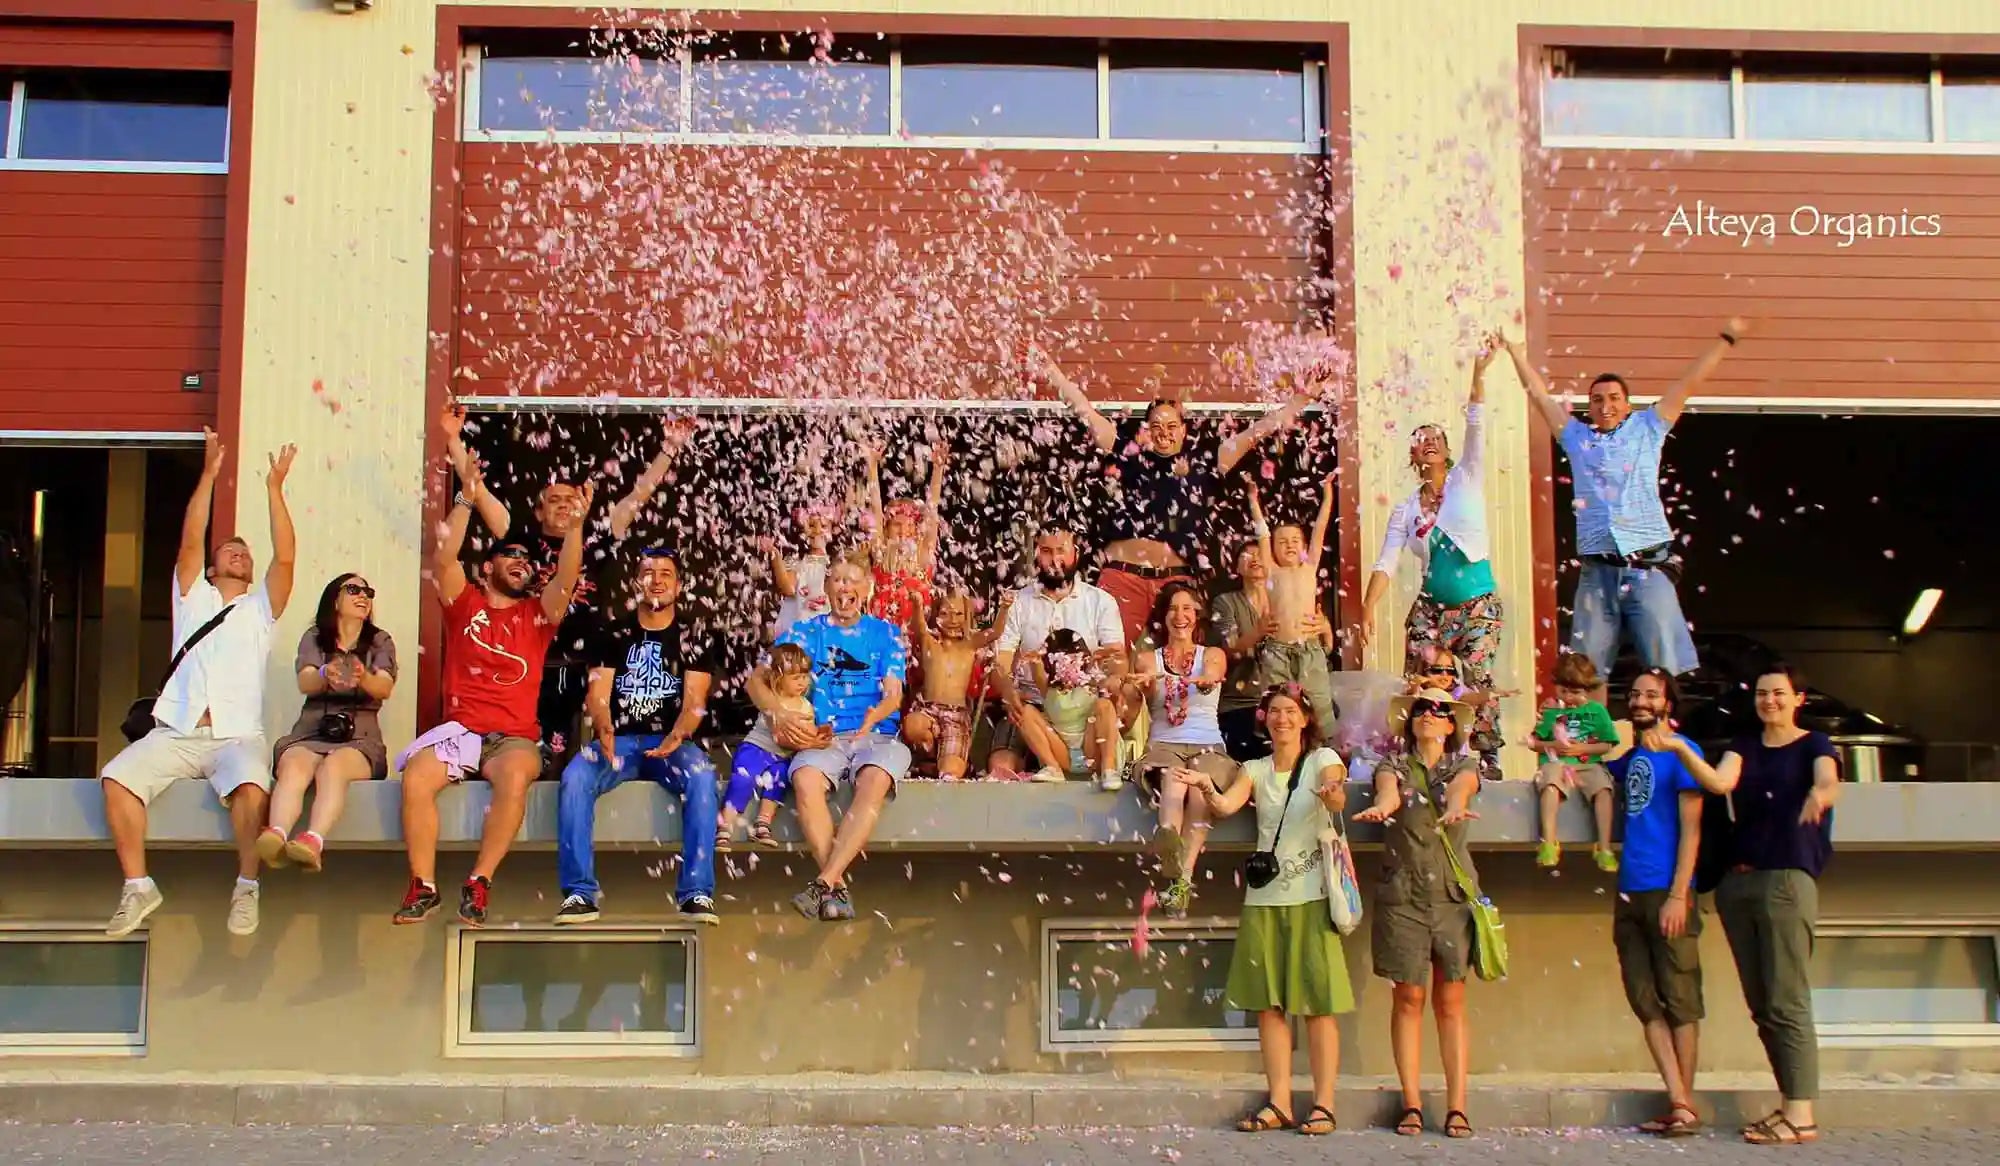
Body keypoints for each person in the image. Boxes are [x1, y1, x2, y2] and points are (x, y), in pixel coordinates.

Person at [101, 430, 297, 939]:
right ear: (212, 567)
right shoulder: (193, 597)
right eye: (230, 550)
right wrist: (209, 473)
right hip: (177, 729)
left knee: (253, 788)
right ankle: (138, 885)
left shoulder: (258, 610)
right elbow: (191, 539)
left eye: (244, 552)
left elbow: (287, 560)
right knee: (117, 780)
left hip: (236, 736)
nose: (239, 553)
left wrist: (275, 489)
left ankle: (247, 887)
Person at [392, 467, 589, 927]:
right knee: (417, 776)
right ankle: (423, 885)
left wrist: (576, 525)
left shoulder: (538, 617)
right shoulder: (465, 606)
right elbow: (444, 561)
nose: (522, 560)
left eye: (527, 558)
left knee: (517, 776)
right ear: (488, 568)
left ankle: (479, 882)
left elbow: (566, 576)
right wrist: (465, 498)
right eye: (510, 554)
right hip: (461, 732)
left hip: (513, 737)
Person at [1503, 319, 1749, 678]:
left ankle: (1663, 731)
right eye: (1597, 399)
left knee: (1665, 665)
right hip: (1597, 571)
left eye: (1614, 398)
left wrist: (1725, 339)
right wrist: (1513, 350)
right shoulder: (1576, 438)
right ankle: (1591, 731)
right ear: (1589, 406)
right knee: (1584, 669)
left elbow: (1688, 383)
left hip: (1647, 565)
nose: (1606, 405)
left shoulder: (1648, 427)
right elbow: (1539, 395)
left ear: (1627, 403)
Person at [1032, 345, 1322, 646]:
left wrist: (1304, 397)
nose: (1164, 432)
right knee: (1112, 659)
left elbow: (1259, 431)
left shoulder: (1205, 463)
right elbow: (1085, 411)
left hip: (1175, 582)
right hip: (1124, 578)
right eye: (1156, 426)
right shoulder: (1129, 456)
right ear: (1146, 430)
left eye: (1172, 425)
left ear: (1184, 430)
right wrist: (1051, 371)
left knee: (1182, 662)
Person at [1185, 684, 1353, 1136]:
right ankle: (1279, 1101)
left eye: (1290, 711)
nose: (1282, 719)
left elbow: (1337, 795)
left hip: (1313, 896)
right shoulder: (1256, 769)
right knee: (1269, 1006)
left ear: (1305, 720)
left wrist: (1332, 794)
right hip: (1264, 900)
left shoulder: (1321, 760)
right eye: (1274, 711)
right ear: (1265, 719)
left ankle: (1324, 1104)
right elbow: (1226, 805)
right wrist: (1205, 786)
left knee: (1318, 1006)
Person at [477, 418, 694, 761]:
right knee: (540, 752)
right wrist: (464, 468)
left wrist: (669, 449)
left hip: (591, 661)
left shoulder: (594, 541)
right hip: (537, 662)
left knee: (593, 752)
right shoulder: (523, 544)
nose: (564, 505)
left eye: (570, 499)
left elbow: (638, 497)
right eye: (554, 500)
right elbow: (484, 502)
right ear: (539, 510)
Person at [1709, 663, 1838, 1147]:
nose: (1770, 701)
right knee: (1762, 1004)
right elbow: (1722, 783)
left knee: (1787, 999)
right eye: (1763, 694)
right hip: (1739, 882)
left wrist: (1821, 795)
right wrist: (1680, 749)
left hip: (1786, 879)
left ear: (1797, 698)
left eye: (1779, 693)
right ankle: (1789, 1105)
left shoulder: (1814, 745)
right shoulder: (1743, 746)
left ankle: (1801, 1114)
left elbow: (1828, 779)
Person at [1360, 337, 1505, 769]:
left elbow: (1475, 420)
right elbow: (1386, 561)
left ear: (1445, 450)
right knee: (1420, 678)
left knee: (1476, 676)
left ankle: (1486, 754)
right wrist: (1368, 608)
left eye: (1434, 438)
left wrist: (1479, 372)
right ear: (1411, 455)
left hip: (1478, 604)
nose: (1427, 443)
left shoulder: (1467, 476)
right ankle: (1415, 750)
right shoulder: (1406, 508)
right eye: (1418, 440)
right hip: (1431, 607)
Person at [555, 548, 719, 925]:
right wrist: (603, 725)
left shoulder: (695, 635)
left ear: (678, 586)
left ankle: (696, 893)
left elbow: (695, 699)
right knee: (576, 777)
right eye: (649, 572)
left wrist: (680, 734)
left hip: (673, 743)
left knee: (702, 776)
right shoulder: (613, 631)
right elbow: (598, 693)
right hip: (622, 741)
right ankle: (580, 893)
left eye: (666, 573)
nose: (657, 580)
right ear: (636, 583)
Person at [1607, 668, 1733, 1138]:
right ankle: (1679, 1100)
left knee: (1679, 998)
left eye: (1651, 695)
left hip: (1667, 889)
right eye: (1635, 694)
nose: (1640, 701)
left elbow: (1692, 829)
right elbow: (1595, 769)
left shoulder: (1684, 754)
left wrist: (1680, 893)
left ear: (1668, 705)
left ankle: (1684, 1101)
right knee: (1645, 999)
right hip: (1629, 891)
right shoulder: (1633, 755)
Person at [1351, 687, 1482, 1140]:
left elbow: (1464, 789)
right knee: (1407, 998)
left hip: (1450, 893)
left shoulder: (1464, 764)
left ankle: (1457, 1106)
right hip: (1403, 894)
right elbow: (1388, 791)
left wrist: (1458, 807)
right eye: (1422, 708)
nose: (1429, 714)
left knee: (1451, 1000)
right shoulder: (1393, 764)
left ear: (1451, 724)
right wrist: (1383, 806)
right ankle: (1411, 1102)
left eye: (1439, 710)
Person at [756, 556, 912, 922]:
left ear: (867, 589)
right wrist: (776, 711)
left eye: (853, 580)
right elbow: (756, 680)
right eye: (837, 580)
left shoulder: (885, 634)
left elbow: (894, 693)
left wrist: (877, 713)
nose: (845, 588)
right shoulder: (804, 633)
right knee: (804, 778)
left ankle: (823, 881)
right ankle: (835, 886)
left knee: (874, 779)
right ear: (825, 588)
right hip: (823, 737)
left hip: (878, 737)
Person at [261, 572, 397, 872]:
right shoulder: (314, 638)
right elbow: (306, 681)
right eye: (354, 590)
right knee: (295, 763)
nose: (364, 596)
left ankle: (312, 841)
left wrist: (364, 676)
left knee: (333, 766)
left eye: (368, 591)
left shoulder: (379, 640)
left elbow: (384, 687)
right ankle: (276, 834)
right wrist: (325, 674)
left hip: (360, 737)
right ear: (334, 599)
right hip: (311, 730)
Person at [1123, 582, 1235, 919]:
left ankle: (1181, 879)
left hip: (1207, 744)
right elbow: (1126, 717)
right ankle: (1169, 838)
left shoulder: (1211, 655)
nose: (1180, 615)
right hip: (1165, 745)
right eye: (1173, 608)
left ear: (1197, 616)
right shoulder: (1147, 659)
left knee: (1200, 790)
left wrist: (1204, 680)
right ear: (1163, 616)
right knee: (1174, 778)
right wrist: (1130, 689)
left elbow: (1214, 674)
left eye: (1187, 608)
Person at [989, 527, 1127, 780]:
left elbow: (1117, 658)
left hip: (1084, 707)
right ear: (1035, 556)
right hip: (1031, 704)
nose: (1054, 561)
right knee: (1000, 767)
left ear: (1075, 553)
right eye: (1046, 552)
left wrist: (1114, 680)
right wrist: (1008, 691)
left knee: (1106, 709)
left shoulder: (1100, 601)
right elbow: (1000, 663)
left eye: (1061, 551)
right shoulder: (1019, 602)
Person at [1244, 475, 1337, 738]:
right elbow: (1261, 532)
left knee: (1318, 700)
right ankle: (1274, 747)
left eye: (1295, 540)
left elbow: (1320, 527)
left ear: (1305, 547)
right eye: (1282, 542)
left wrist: (1328, 495)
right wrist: (1253, 500)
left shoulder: (1309, 567)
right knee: (1275, 701)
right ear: (1272, 549)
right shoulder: (1272, 570)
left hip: (1309, 648)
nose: (1289, 545)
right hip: (1277, 650)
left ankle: (1324, 748)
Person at [1525, 651, 1622, 872]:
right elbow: (1534, 742)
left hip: (1588, 763)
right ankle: (1549, 842)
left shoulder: (1596, 711)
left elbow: (1608, 744)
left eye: (1575, 692)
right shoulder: (1551, 710)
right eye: (1563, 690)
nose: (1568, 697)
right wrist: (1551, 746)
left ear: (1588, 690)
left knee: (1604, 789)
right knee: (1550, 784)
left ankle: (1604, 847)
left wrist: (1582, 748)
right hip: (1557, 763)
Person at [903, 591, 1009, 780]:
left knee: (950, 774)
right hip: (928, 711)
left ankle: (950, 762)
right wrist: (918, 605)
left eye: (958, 614)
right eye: (945, 613)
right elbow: (918, 627)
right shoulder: (929, 643)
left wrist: (1004, 608)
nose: (952, 620)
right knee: (913, 725)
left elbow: (995, 632)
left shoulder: (969, 645)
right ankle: (929, 756)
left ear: (967, 616)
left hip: (956, 715)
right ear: (935, 615)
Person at [722, 642, 817, 846]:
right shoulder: (772, 701)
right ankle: (725, 826)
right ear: (777, 678)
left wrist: (819, 737)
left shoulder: (806, 706)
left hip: (781, 756)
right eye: (795, 677)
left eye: (805, 676)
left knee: (778, 783)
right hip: (756, 749)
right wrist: (809, 740)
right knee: (742, 781)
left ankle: (762, 824)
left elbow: (807, 732)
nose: (802, 682)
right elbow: (780, 735)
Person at [863, 439, 947, 634]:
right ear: (886, 528)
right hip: (882, 637)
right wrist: (872, 465)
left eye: (910, 526)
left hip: (917, 637)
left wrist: (937, 470)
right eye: (897, 525)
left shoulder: (921, 557)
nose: (903, 532)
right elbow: (875, 507)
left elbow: (932, 512)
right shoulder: (881, 555)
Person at [1027, 629, 1123, 786]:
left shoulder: (1092, 681)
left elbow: (1111, 683)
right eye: (1061, 659)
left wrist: (1110, 669)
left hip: (1092, 748)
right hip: (1063, 752)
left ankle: (1109, 770)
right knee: (1027, 712)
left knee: (1104, 704)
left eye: (1073, 657)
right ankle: (1053, 768)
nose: (1068, 664)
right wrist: (1036, 659)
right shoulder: (1048, 688)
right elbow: (1037, 669)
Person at [1209, 543, 1272, 761]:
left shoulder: (1284, 600)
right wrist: (1259, 631)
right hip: (1241, 703)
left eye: (1260, 553)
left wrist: (1326, 633)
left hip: (1279, 700)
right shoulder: (1225, 602)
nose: (1254, 558)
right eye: (1247, 555)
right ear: (1237, 567)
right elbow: (1232, 649)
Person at [765, 502, 837, 641]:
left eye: (823, 526)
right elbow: (788, 589)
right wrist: (775, 556)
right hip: (802, 629)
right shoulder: (798, 563)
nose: (817, 531)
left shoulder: (835, 564)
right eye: (811, 525)